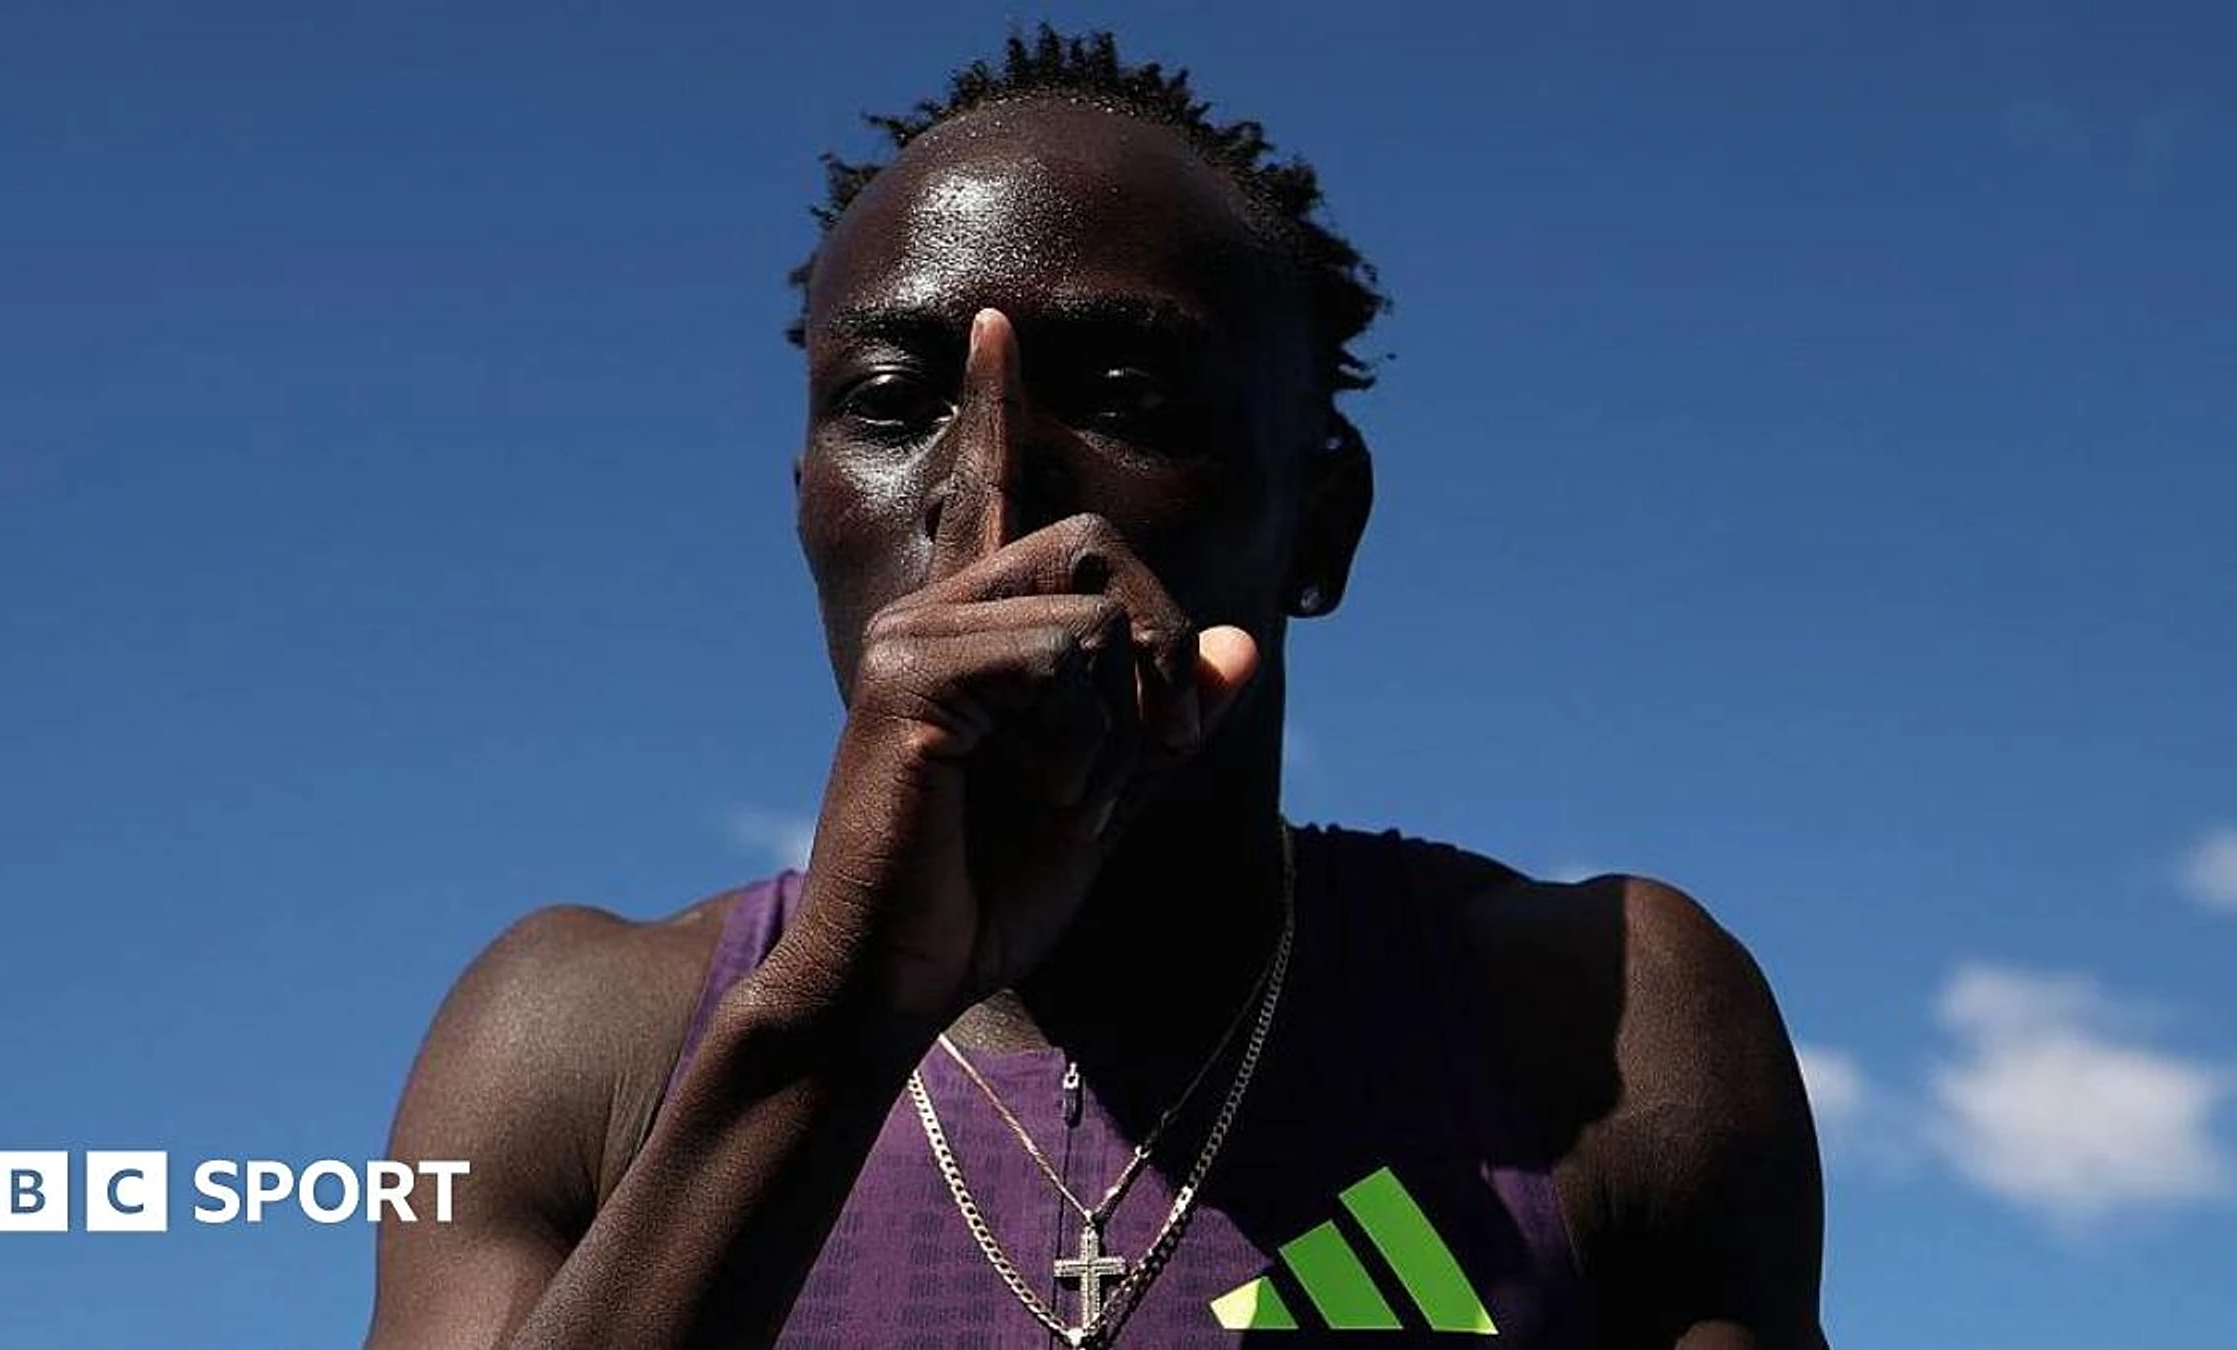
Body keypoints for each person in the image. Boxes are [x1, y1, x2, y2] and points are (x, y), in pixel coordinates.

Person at [366, 26, 1827, 1350]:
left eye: (1125, 397)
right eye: (893, 404)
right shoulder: (576, 1043)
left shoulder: (1592, 1030)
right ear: (804, 503)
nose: (990, 495)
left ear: (1323, 526)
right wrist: (832, 1023)